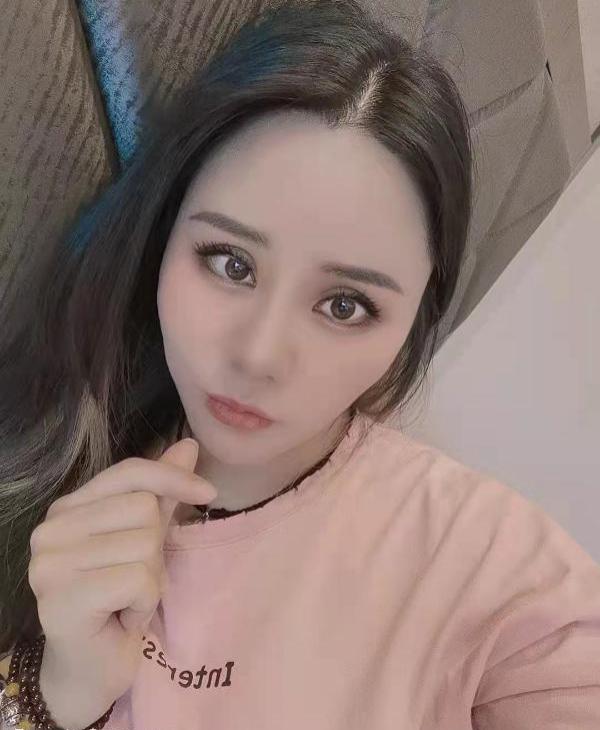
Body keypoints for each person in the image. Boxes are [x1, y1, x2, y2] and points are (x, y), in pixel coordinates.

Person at [1, 1, 599, 728]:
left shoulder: (485, 564)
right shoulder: (60, 456)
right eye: (230, 263)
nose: (257, 356)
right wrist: (59, 691)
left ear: (414, 319)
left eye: (344, 305)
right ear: (163, 234)